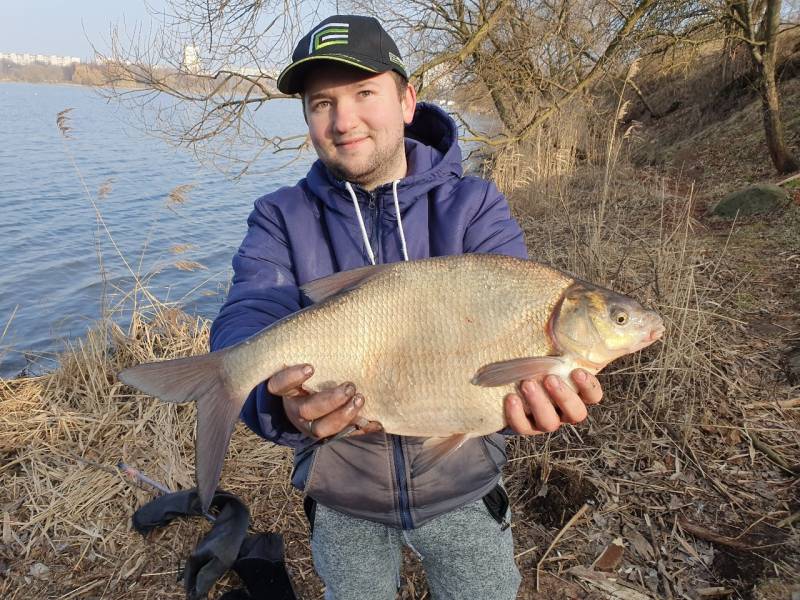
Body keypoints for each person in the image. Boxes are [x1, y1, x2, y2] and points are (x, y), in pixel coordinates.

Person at [210, 14, 603, 599]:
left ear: (407, 100)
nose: (344, 122)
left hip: (463, 483)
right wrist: (281, 407)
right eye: (322, 104)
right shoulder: (282, 217)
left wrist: (537, 399)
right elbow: (247, 318)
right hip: (341, 489)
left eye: (365, 93)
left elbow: (515, 328)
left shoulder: (472, 204)